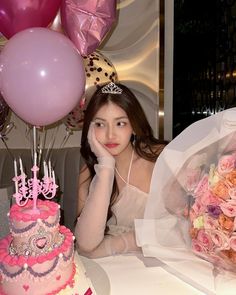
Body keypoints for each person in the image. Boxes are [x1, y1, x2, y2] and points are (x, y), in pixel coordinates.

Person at [75, 82, 166, 258]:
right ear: (90, 130)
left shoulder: (159, 158)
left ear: (133, 125)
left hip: (153, 264)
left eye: (120, 123)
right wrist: (106, 167)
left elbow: (181, 226)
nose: (110, 135)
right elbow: (85, 245)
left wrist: (116, 244)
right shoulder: (89, 171)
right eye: (100, 125)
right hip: (104, 267)